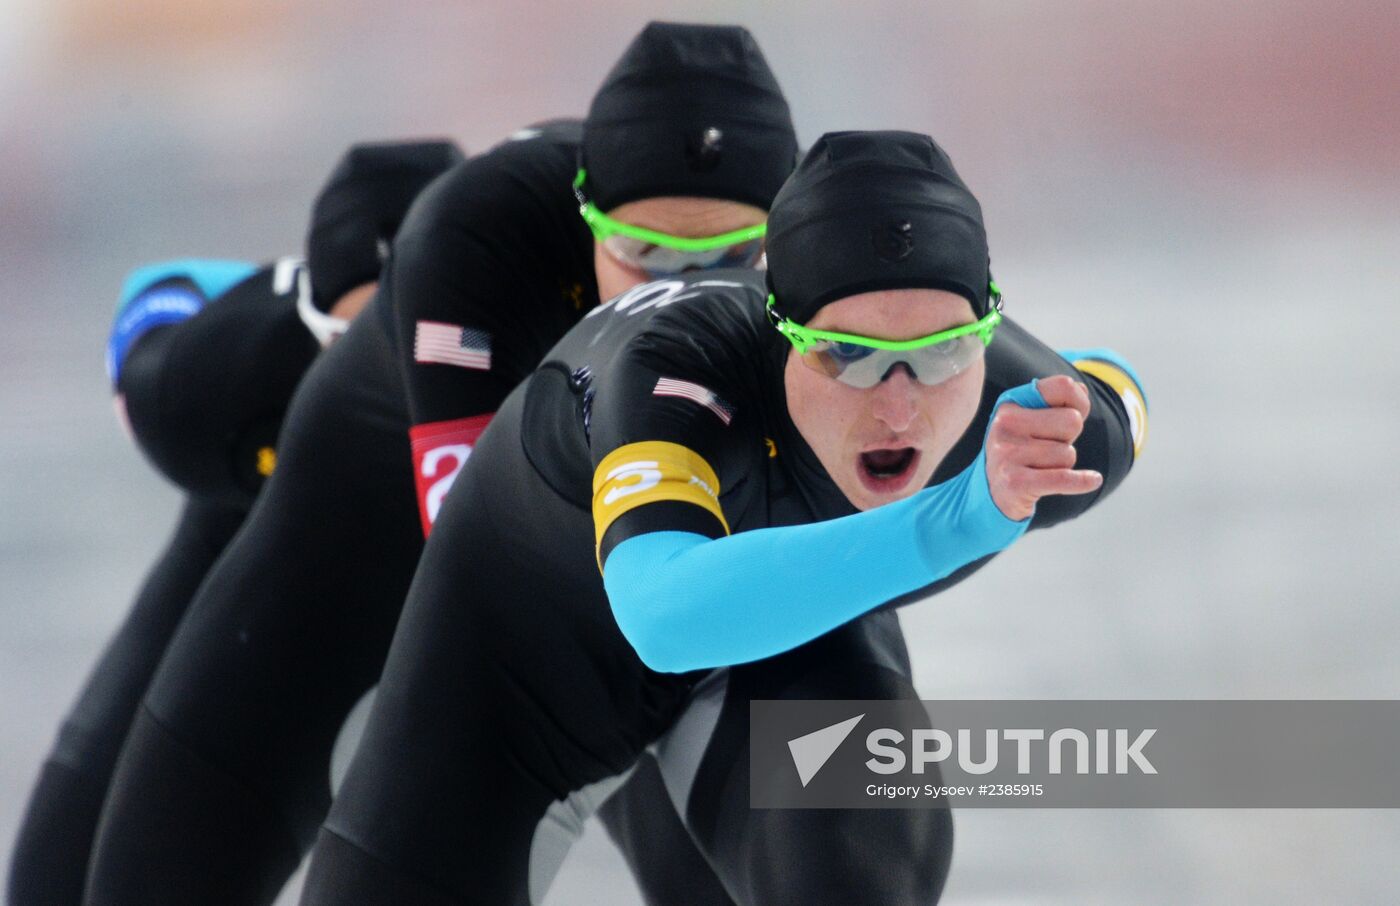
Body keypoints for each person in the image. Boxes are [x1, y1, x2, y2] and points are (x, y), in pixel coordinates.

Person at [297, 130, 1149, 905]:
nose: (901, 406)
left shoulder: (1037, 426)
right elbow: (664, 616)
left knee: (859, 866)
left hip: (778, 642)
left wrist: (1066, 406)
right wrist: (956, 519)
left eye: (942, 354)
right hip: (527, 668)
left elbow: (1113, 384)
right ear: (779, 338)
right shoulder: (672, 368)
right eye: (850, 357)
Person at [84, 23, 799, 906]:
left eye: (731, 260)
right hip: (358, 535)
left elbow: (998, 413)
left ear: (790, 240)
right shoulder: (474, 233)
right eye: (646, 256)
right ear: (585, 216)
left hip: (612, 558)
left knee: (806, 831)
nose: (681, 292)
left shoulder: (838, 285)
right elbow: (488, 579)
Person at [5, 140, 463, 906]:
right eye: (353, 350)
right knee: (58, 880)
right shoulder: (212, 384)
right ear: (308, 324)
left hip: (513, 634)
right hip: (270, 592)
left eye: (413, 350)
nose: (382, 386)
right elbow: (157, 295)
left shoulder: (551, 346)